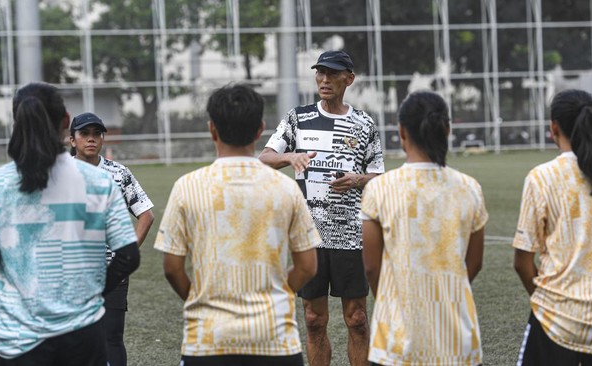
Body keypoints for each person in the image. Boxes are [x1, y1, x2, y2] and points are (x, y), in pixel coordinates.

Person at [155, 84, 319, 366]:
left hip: (207, 341)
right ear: (260, 130)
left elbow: (172, 268)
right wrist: (275, 296)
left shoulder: (188, 187)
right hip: (275, 342)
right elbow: (307, 267)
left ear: (212, 130)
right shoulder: (286, 188)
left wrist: (201, 300)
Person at [0, 82, 140, 365]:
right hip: (81, 334)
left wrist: (19, 284)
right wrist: (96, 289)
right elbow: (129, 255)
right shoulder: (100, 181)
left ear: (16, 122)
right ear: (66, 123)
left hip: (13, 337)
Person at [259, 50, 384, 366]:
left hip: (351, 236)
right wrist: (290, 157)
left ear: (349, 79)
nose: (324, 80)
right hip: (309, 238)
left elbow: (379, 179)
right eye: (320, 74)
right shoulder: (298, 118)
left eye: (332, 74)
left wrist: (357, 180)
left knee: (356, 318)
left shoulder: (363, 124)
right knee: (314, 319)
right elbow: (264, 158)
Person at [361, 91, 487, 366]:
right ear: (448, 130)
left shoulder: (380, 189)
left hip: (396, 343)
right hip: (456, 341)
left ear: (401, 133)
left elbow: (371, 267)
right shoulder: (469, 188)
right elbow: (474, 263)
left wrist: (394, 300)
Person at [513, 89, 592, 365]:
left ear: (553, 127)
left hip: (556, 322)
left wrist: (551, 302)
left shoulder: (542, 178)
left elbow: (522, 262)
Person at [69, 112, 155, 366]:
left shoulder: (119, 173)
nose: (91, 139)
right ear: (71, 140)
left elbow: (146, 215)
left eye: (97, 134)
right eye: (84, 134)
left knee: (112, 339)